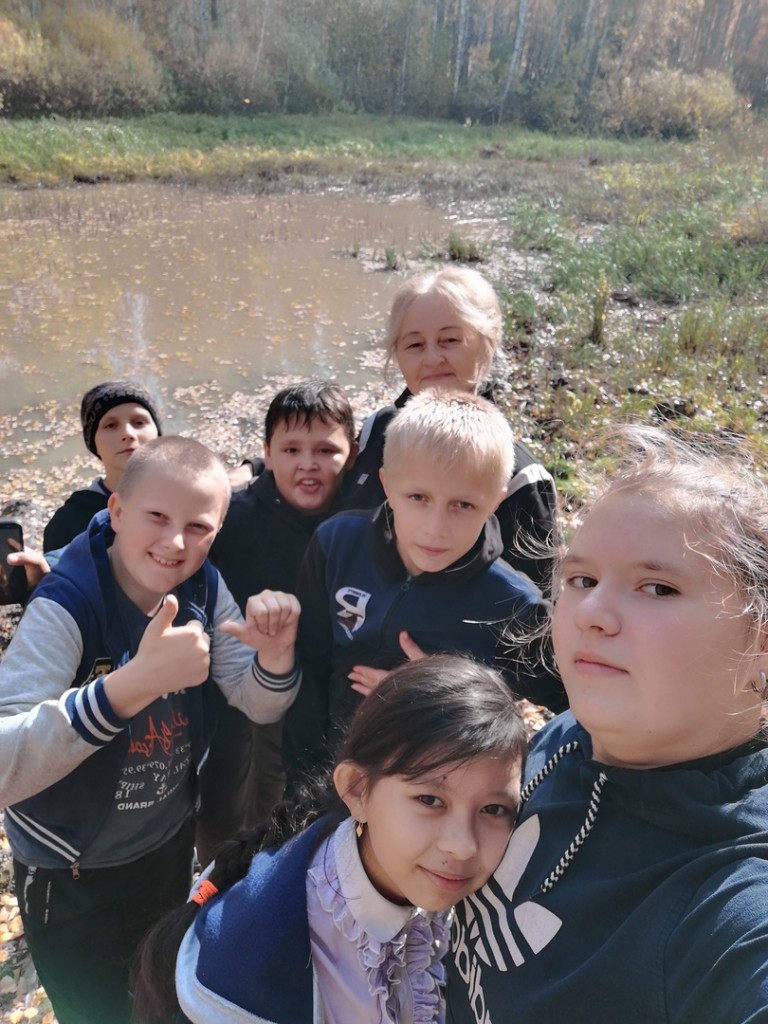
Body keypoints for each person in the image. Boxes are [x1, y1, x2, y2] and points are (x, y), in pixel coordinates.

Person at [446, 425, 768, 1024]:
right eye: (582, 579)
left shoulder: (730, 896)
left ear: (760, 641)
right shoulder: (567, 735)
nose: (591, 612)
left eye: (657, 587)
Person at [0, 435, 302, 1024]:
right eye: (157, 517)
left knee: (158, 993)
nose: (175, 543)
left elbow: (259, 704)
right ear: (116, 511)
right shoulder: (67, 606)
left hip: (165, 846)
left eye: (198, 527)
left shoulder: (203, 587)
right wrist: (128, 688)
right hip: (67, 869)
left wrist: (275, 658)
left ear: (216, 532)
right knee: (91, 1010)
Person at [132, 654, 529, 1024]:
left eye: (494, 809)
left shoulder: (473, 895)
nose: (463, 846)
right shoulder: (250, 960)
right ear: (357, 790)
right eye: (430, 800)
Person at [284, 389, 566, 790]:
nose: (436, 528)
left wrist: (447, 692)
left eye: (463, 505)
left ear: (495, 502)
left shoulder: (512, 602)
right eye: (418, 497)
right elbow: (309, 663)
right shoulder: (336, 545)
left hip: (438, 792)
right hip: (330, 773)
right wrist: (302, 781)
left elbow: (577, 703)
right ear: (387, 484)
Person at [196, 379, 357, 864]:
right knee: (226, 794)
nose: (308, 463)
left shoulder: (363, 523)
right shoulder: (234, 517)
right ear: (266, 453)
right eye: (291, 450)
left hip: (325, 688)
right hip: (240, 684)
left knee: (298, 802)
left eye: (326, 450)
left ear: (352, 454)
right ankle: (216, 877)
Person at [342, 266, 559, 592]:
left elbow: (537, 607)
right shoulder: (377, 431)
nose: (432, 358)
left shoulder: (520, 478)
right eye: (415, 345)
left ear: (486, 344)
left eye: (450, 340)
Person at [43, 380, 163, 553]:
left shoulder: (187, 502)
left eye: (138, 422)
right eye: (111, 425)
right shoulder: (69, 521)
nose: (128, 433)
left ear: (158, 434)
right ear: (94, 444)